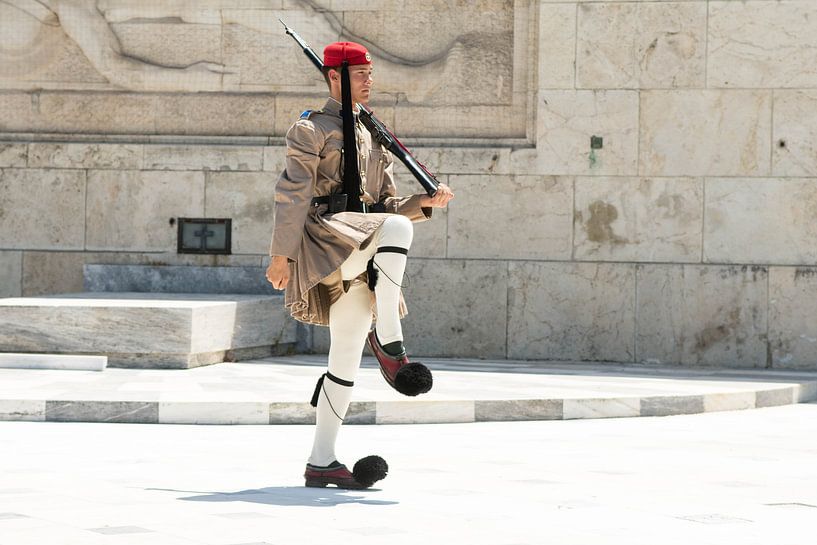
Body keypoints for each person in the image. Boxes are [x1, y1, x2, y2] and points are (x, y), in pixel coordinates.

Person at [265, 41, 454, 489]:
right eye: (361, 73)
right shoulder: (310, 129)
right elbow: (292, 193)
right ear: (335, 77)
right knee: (397, 230)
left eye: (371, 72)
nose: (371, 79)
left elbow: (385, 204)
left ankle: (322, 460)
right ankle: (390, 345)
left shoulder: (372, 133)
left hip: (363, 242)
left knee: (344, 355)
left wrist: (423, 201)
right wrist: (280, 256)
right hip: (326, 237)